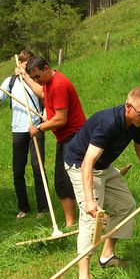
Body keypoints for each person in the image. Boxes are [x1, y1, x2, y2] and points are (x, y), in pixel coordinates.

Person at [64, 87, 140, 279]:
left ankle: (107, 256)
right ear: (128, 107)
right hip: (80, 165)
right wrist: (91, 201)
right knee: (90, 220)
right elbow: (87, 163)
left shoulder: (137, 121)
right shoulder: (108, 123)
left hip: (104, 167)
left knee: (125, 205)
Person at [0, 50, 47, 219]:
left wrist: (45, 114)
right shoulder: (10, 82)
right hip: (18, 131)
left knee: (38, 168)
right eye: (25, 65)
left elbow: (46, 98)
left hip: (36, 128)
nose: (29, 68)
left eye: (31, 65)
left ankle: (43, 209)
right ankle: (23, 208)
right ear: (19, 64)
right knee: (18, 171)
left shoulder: (37, 81)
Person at [25, 57, 86, 227]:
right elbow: (42, 92)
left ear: (46, 68)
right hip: (64, 138)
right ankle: (70, 223)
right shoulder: (48, 83)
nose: (37, 80)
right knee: (61, 182)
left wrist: (39, 127)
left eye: (37, 76)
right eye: (34, 77)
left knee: (70, 181)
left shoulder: (59, 85)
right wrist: (26, 77)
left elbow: (61, 120)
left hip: (74, 137)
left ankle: (85, 220)